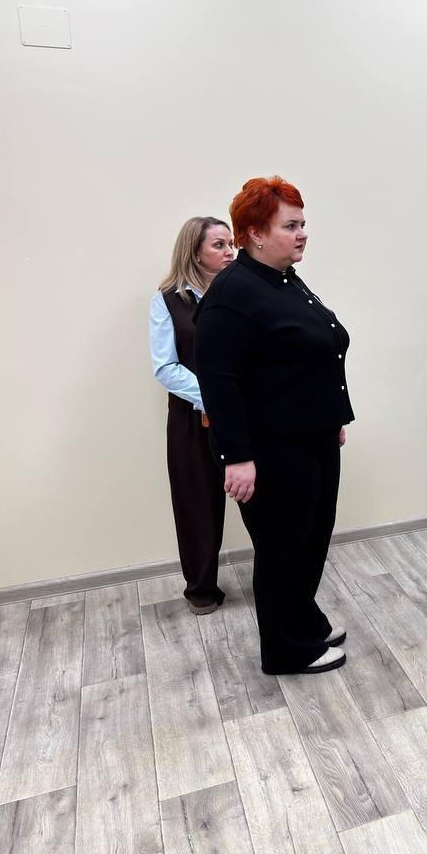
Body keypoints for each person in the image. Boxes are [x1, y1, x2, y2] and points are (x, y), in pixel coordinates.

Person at [194, 176, 351, 675]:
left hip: (313, 437)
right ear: (255, 234)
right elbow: (219, 382)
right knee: (284, 548)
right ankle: (287, 650)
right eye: (290, 226)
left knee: (311, 539)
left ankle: (302, 620)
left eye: (302, 224)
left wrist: (334, 416)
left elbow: (318, 349)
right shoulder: (232, 294)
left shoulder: (284, 279)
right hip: (271, 448)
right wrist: (236, 457)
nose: (302, 234)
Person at [150, 216, 236, 615]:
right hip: (193, 418)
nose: (230, 251)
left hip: (246, 412)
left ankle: (279, 581)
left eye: (231, 244)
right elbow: (165, 367)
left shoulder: (239, 293)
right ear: (195, 252)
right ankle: (201, 590)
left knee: (267, 496)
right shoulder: (167, 300)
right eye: (219, 245)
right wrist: (215, 397)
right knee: (197, 504)